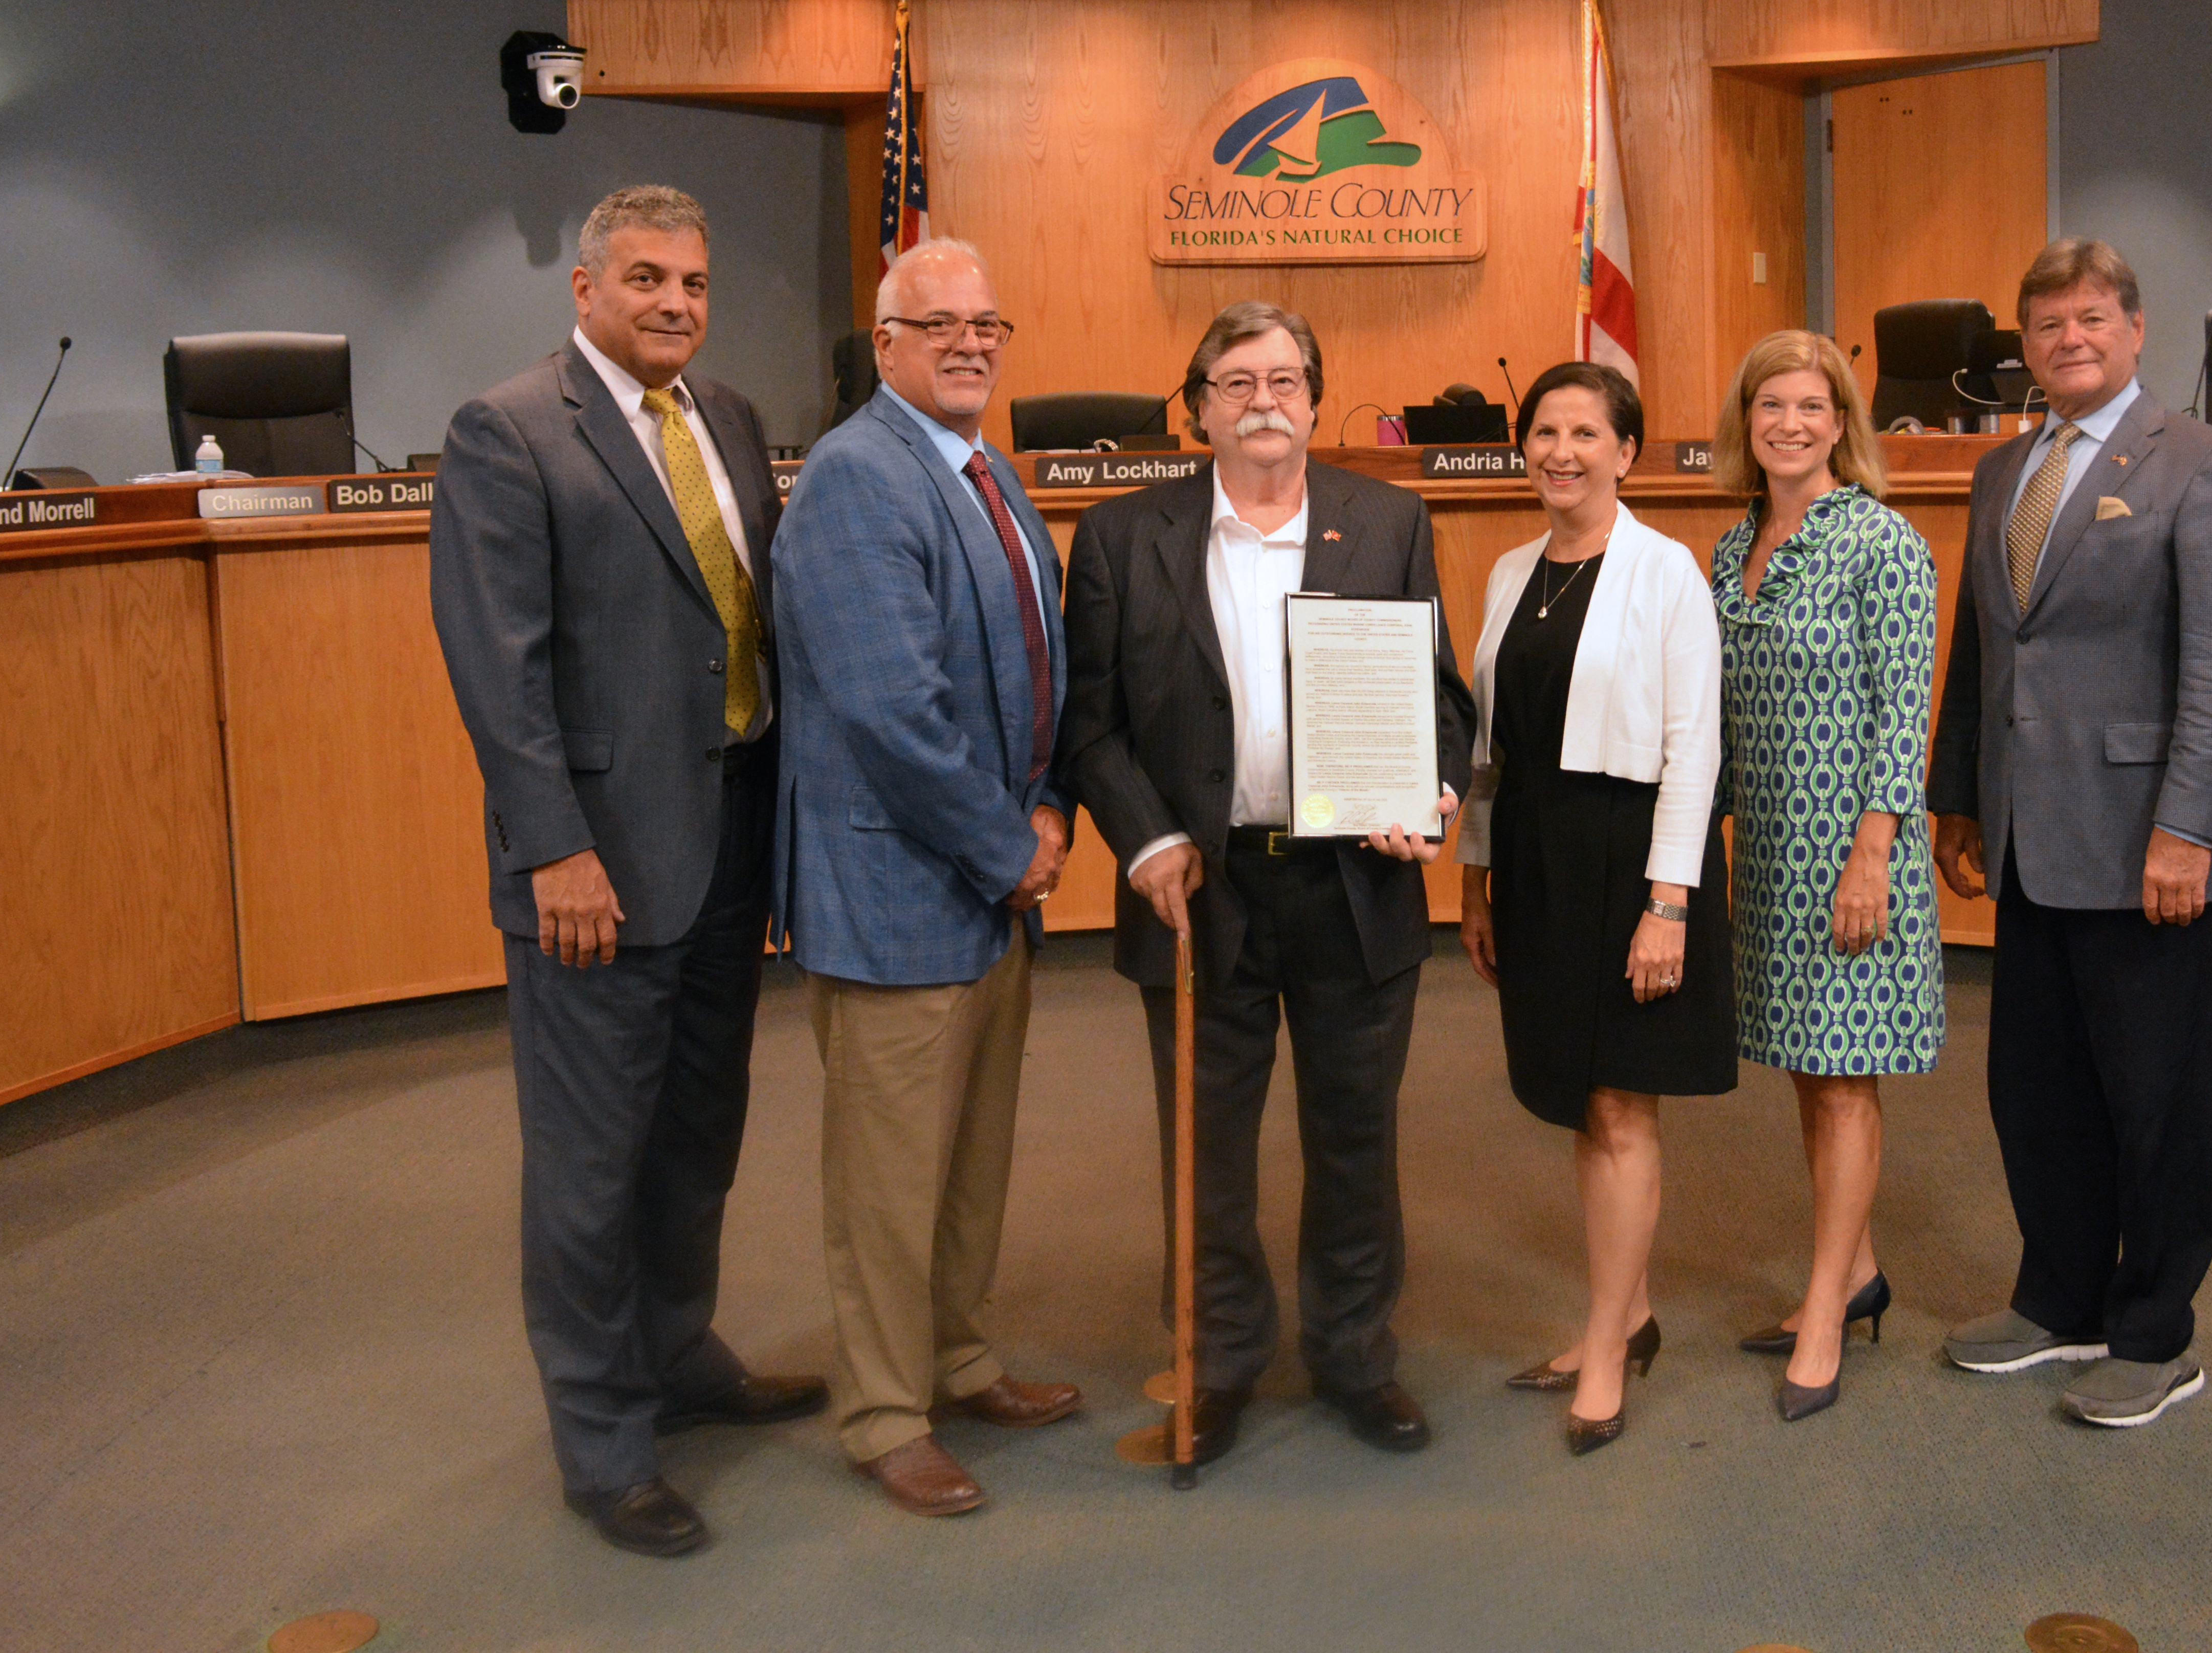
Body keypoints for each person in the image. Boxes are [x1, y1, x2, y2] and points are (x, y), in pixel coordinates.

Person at [428, 183, 825, 1558]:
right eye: (647, 278)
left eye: (695, 284)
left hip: (727, 851)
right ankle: (603, 1443)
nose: (675, 304)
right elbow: (501, 666)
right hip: (593, 873)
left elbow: (752, 634)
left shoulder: (726, 421)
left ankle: (677, 1355)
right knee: (591, 1171)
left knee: (699, 1137)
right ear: (586, 287)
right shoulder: (508, 430)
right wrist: (554, 849)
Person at [1057, 301, 1475, 1466]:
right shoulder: (1122, 535)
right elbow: (1091, 728)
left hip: (1353, 884)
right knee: (1207, 1153)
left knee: (1355, 1139)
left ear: (1312, 396)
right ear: (1197, 405)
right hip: (1203, 889)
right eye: (1236, 380)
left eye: (1286, 379)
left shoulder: (1386, 519)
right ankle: (1220, 1361)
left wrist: (1434, 788)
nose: (1264, 401)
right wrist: (1145, 842)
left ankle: (1354, 1356)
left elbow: (1438, 697)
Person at [1929, 236, 2212, 1428]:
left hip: (2143, 845)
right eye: (2046, 326)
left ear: (2135, 330)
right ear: (2024, 347)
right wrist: (1957, 797)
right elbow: (1983, 650)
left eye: (2089, 319)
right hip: (2029, 835)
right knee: (2038, 1086)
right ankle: (2061, 1295)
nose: (2068, 340)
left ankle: (2154, 1329)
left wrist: (2191, 826)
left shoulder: (2207, 464)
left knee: (2156, 1096)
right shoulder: (1999, 473)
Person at [767, 236, 1082, 1518]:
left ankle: (957, 1357)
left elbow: (1039, 668)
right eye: (937, 321)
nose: (969, 341)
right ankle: (886, 1411)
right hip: (902, 891)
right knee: (887, 1184)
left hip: (994, 882)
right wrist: (1013, 847)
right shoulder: (856, 476)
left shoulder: (986, 466)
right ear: (884, 343)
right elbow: (896, 710)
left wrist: (1050, 806)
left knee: (968, 1159)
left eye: (987, 321)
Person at [1453, 363, 1729, 1456]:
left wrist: (1668, 902)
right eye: (1542, 431)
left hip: (1631, 862)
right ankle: (1632, 1305)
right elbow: (1488, 749)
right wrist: (1474, 878)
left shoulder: (1666, 573)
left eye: (1585, 432)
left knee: (1623, 1106)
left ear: (1627, 450)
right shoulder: (1514, 568)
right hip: (1532, 859)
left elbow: (1693, 748)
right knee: (1582, 1096)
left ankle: (1608, 1343)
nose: (1558, 450)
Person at [1708, 329, 1945, 1423]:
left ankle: (1821, 1306)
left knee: (1846, 1075)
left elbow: (1908, 710)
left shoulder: (1882, 542)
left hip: (1851, 850)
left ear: (1843, 423)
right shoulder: (1731, 545)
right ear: (1745, 423)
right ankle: (1855, 1272)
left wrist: (1874, 850)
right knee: (1808, 1067)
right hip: (1767, 847)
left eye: (1812, 407)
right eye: (1772, 407)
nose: (1791, 425)